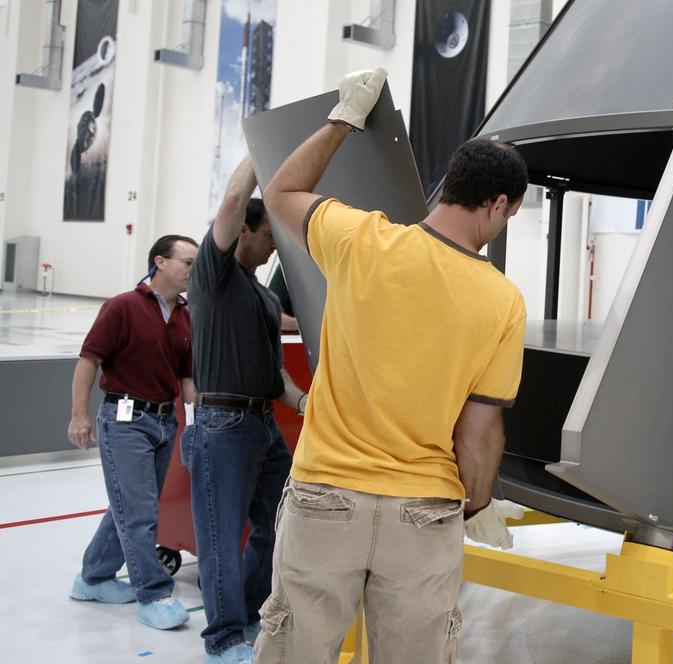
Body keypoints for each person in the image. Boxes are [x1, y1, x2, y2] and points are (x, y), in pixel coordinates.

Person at [256, 68, 528, 663]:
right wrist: (476, 505)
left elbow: (278, 195)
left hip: (326, 493)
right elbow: (478, 433)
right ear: (499, 204)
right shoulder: (502, 301)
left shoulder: (360, 240)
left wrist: (342, 120)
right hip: (423, 512)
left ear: (447, 185)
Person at [185, 156, 308, 664]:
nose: (275, 244)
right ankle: (222, 640)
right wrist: (259, 156)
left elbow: (273, 373)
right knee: (219, 534)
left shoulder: (259, 294)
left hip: (262, 424)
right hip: (223, 426)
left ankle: (251, 610)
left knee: (279, 523)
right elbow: (233, 202)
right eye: (268, 234)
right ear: (245, 233)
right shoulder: (214, 276)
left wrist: (305, 402)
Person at [67, 234, 198, 631]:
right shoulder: (123, 306)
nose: (193, 270)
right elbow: (88, 361)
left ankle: (92, 577)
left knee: (129, 505)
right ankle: (154, 594)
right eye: (187, 262)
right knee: (139, 511)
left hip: (164, 422)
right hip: (125, 422)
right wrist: (79, 416)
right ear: (160, 262)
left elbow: (186, 379)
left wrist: (209, 412)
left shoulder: (184, 316)